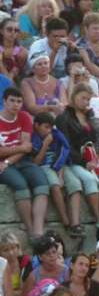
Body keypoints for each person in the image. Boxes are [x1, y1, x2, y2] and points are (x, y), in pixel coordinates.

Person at [55, 83, 99, 227]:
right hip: (74, 160)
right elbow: (66, 146)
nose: (86, 102)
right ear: (74, 97)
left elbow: (93, 139)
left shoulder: (89, 115)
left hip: (92, 156)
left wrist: (98, 155)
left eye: (88, 99)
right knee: (89, 179)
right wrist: (84, 162)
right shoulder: (64, 118)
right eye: (83, 98)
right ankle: (98, 216)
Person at [0, 87, 49, 239]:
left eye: (19, 101)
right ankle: (30, 231)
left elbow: (27, 147)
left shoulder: (24, 117)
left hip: (15, 161)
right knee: (21, 186)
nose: (16, 104)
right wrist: (15, 151)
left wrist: (8, 160)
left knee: (41, 183)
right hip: (2, 164)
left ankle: (38, 230)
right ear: (4, 101)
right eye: (12, 101)